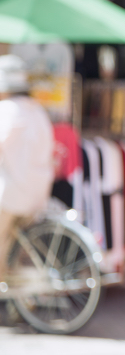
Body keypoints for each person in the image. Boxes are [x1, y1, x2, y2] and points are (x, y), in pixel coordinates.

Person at [0, 54, 55, 287]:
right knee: (13, 248)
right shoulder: (38, 111)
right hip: (36, 193)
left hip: (10, 193)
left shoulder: (7, 110)